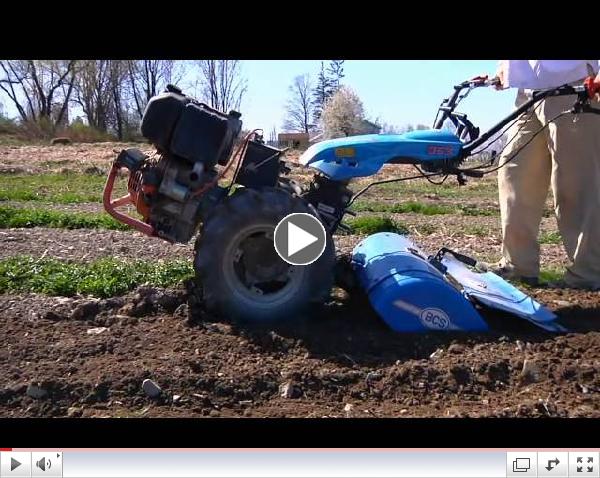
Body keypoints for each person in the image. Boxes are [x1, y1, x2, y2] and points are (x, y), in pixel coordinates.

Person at [490, 60, 600, 289]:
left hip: (576, 83)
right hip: (529, 89)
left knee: (575, 184)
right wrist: (507, 67)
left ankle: (588, 276)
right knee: (514, 170)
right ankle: (517, 267)